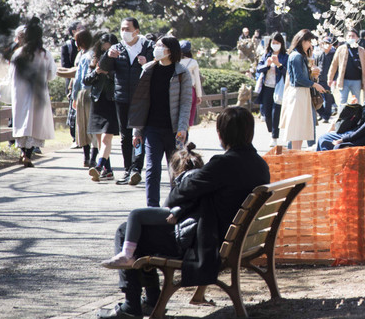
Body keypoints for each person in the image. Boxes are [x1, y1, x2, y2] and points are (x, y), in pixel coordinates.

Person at [98, 107, 269, 319]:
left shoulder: (222, 164)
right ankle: (150, 301)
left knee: (127, 231)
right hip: (233, 240)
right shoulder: (260, 165)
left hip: (207, 243)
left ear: (222, 134)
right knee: (140, 230)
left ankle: (132, 307)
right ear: (249, 132)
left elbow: (175, 197)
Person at [101, 143, 205, 268]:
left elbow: (193, 200)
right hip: (187, 222)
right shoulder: (197, 177)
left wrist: (177, 212)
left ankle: (127, 255)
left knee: (136, 215)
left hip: (181, 217)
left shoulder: (190, 177)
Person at [128, 36, 194, 207]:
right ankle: (152, 207)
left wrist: (182, 128)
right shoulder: (148, 69)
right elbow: (140, 103)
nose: (156, 48)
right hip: (152, 128)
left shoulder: (182, 73)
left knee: (176, 171)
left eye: (160, 46)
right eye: (156, 45)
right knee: (152, 169)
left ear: (170, 51)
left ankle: (174, 207)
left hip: (174, 130)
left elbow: (186, 103)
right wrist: (137, 131)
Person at [98, 17, 154, 185]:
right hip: (121, 98)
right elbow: (103, 67)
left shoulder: (147, 46)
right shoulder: (117, 48)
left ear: (136, 30)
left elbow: (157, 67)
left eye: (128, 29)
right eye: (122, 29)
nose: (124, 32)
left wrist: (148, 62)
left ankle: (136, 168)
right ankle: (128, 170)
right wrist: (108, 56)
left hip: (142, 98)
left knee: (139, 135)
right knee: (125, 136)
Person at [8, 19, 56, 167]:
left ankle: (23, 152)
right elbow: (51, 75)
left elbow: (11, 75)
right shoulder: (45, 54)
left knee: (22, 120)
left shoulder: (18, 53)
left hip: (20, 92)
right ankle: (28, 154)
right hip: (38, 93)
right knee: (35, 123)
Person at [57, 28, 96, 166]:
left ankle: (87, 158)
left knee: (83, 126)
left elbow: (79, 78)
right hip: (93, 94)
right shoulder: (91, 53)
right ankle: (93, 157)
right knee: (92, 127)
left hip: (84, 94)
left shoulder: (85, 56)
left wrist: (74, 96)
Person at [278, 29, 321, 151]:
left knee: (301, 129)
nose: (310, 45)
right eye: (308, 41)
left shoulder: (299, 55)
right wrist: (314, 84)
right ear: (302, 41)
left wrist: (312, 75)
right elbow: (298, 79)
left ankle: (297, 154)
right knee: (297, 128)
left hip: (302, 93)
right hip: (298, 93)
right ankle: (295, 155)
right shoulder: (296, 56)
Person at [316, 84, 365, 150]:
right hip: (363, 137)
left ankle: (324, 164)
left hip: (361, 139)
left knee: (324, 138)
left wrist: (343, 139)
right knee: (325, 137)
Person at [87, 33, 120, 181]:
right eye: (103, 48)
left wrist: (108, 73)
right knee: (100, 139)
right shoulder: (94, 59)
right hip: (97, 100)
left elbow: (122, 78)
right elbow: (85, 80)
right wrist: (96, 71)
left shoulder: (120, 58)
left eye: (108, 48)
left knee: (106, 138)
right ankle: (108, 170)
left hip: (112, 101)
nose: (105, 52)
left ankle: (99, 167)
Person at [255, 32, 288, 146]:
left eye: (277, 43)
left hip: (279, 87)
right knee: (266, 112)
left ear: (281, 44)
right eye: (273, 43)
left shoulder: (285, 56)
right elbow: (258, 69)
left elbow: (287, 72)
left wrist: (279, 64)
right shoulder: (265, 55)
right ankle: (272, 131)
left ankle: (274, 137)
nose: (275, 45)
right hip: (267, 87)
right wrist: (267, 65)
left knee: (276, 112)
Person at [328, 28, 365, 108]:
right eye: (349, 36)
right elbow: (334, 64)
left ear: (357, 38)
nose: (351, 38)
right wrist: (330, 78)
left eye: (353, 36)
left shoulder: (361, 50)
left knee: (356, 102)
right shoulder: (341, 49)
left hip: (357, 80)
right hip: (344, 80)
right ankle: (341, 119)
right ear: (346, 38)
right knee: (342, 101)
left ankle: (355, 119)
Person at [61, 22, 82, 147]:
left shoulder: (86, 47)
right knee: (73, 110)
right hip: (72, 81)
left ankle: (82, 137)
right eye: (79, 28)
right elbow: (65, 66)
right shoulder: (67, 46)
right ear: (73, 31)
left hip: (83, 82)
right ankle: (74, 137)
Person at [312, 36, 336, 123]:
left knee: (328, 98)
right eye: (324, 43)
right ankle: (322, 114)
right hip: (320, 80)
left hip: (329, 80)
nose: (326, 45)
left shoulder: (333, 55)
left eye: (328, 44)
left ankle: (326, 116)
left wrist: (334, 79)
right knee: (317, 98)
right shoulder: (319, 55)